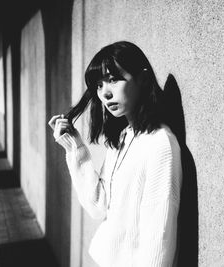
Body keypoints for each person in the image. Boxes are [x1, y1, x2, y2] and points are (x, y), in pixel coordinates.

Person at [48, 41, 182, 267]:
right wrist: (73, 145)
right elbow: (98, 205)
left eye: (113, 80)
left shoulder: (160, 144)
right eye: (99, 85)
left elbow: (158, 237)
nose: (105, 93)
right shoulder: (123, 138)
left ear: (142, 78)